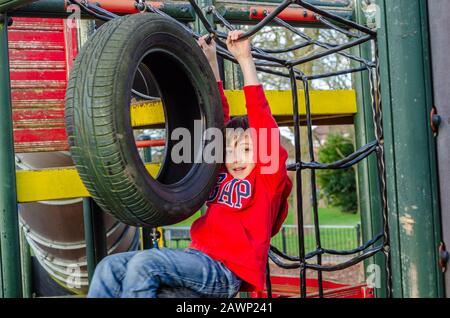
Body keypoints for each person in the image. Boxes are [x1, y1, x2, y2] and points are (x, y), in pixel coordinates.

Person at [87, 30, 292, 298]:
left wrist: (244, 60)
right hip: (195, 259)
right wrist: (210, 62)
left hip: (224, 271)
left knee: (144, 264)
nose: (236, 157)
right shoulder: (218, 171)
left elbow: (261, 120)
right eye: (229, 149)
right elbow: (215, 117)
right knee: (108, 268)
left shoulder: (267, 182)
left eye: (246, 149)